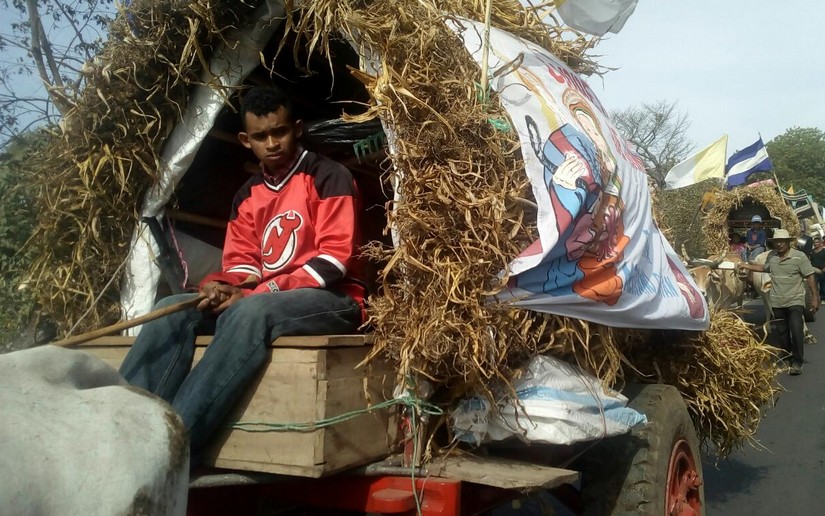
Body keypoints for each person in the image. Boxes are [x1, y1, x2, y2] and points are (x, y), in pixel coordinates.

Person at [119, 86, 366, 464]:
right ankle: (125, 427)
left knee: (250, 312)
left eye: (279, 132)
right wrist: (223, 285)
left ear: (297, 128)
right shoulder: (247, 196)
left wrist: (256, 293)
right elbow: (243, 264)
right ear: (245, 139)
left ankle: (176, 443)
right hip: (267, 298)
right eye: (261, 137)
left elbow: (334, 262)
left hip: (336, 299)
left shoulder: (328, 176)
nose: (272, 143)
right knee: (174, 305)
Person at [740, 229, 820, 375]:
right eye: (777, 242)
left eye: (782, 241)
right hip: (776, 301)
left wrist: (815, 297)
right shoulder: (772, 257)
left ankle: (797, 362)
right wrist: (746, 266)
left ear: (789, 242)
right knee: (782, 333)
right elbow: (763, 268)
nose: (779, 244)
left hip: (795, 300)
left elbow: (810, 276)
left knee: (796, 331)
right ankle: (787, 358)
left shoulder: (799, 257)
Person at [809, 234, 825, 298]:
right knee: (814, 286)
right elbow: (809, 261)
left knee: (823, 286)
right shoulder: (811, 252)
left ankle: (823, 298)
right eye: (814, 242)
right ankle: (815, 298)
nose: (816, 244)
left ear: (820, 243)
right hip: (814, 271)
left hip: (823, 271)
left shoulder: (824, 251)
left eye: (817, 242)